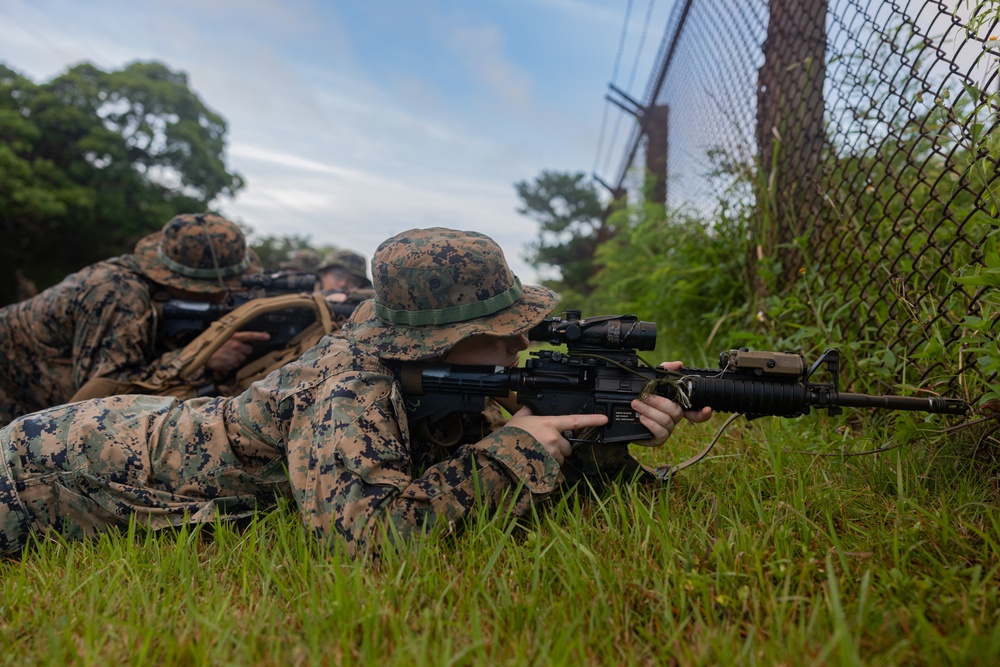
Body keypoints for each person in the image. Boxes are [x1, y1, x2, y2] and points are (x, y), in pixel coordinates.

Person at [0, 227, 711, 558]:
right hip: (53, 462)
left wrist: (616, 429)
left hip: (133, 419)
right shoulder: (347, 390)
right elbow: (370, 536)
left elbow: (511, 449)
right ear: (441, 340)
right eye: (502, 330)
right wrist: (509, 453)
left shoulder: (439, 377)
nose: (521, 345)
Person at [0, 213, 270, 427]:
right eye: (218, 289)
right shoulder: (119, 294)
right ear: (184, 281)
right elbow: (101, 397)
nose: (225, 296)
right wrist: (202, 356)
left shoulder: (152, 289)